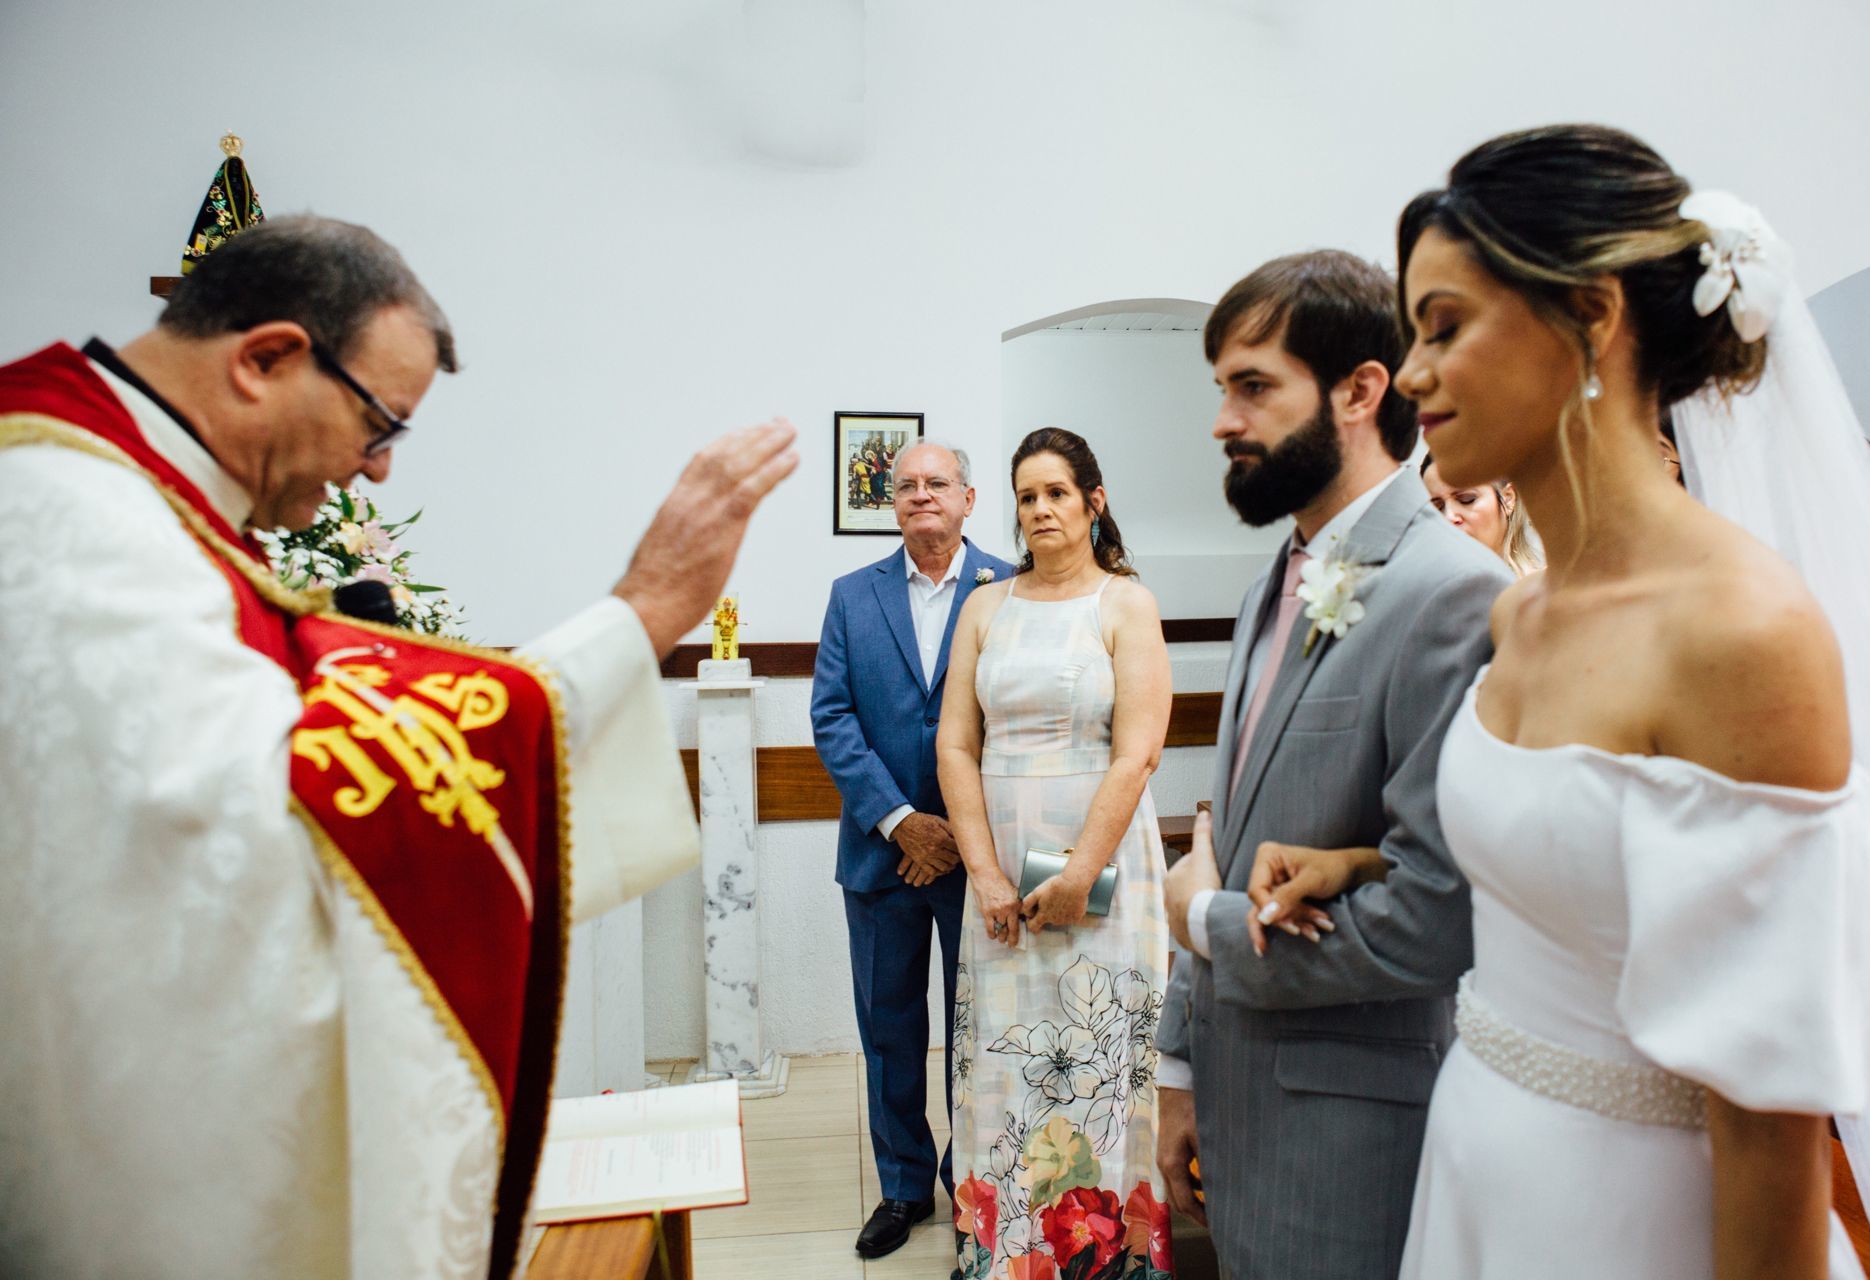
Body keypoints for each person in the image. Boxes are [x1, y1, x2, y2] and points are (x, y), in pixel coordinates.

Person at [0, 215, 799, 1280]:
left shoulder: (140, 498)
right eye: (379, 424)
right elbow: (249, 849)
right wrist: (640, 613)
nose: (374, 472)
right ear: (267, 359)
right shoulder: (62, 520)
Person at [1254, 125, 1870, 1278]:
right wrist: (1358, 861)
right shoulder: (1524, 613)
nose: (1411, 376)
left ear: (1592, 316)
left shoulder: (1741, 634)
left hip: (1630, 1214)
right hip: (1478, 1161)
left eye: (1445, 326)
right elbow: (1579, 870)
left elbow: (1770, 1130)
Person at [1153, 250, 1510, 1280]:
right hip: (1236, 1100)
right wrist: (1181, 1065)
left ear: (1360, 389)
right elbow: (1224, 841)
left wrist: (1201, 922)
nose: (1223, 420)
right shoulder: (1279, 571)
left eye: (1252, 386)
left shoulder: (1454, 592)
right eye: (1222, 387)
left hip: (1354, 1128)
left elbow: (1429, 921)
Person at [938, 427, 1174, 1280]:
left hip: (1102, 858)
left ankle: (1104, 1259)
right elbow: (956, 749)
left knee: (1097, 1062)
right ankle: (1006, 1259)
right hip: (997, 863)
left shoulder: (1124, 604)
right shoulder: (985, 609)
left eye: (1057, 494)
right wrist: (987, 871)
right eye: (1026, 495)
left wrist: (1079, 874)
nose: (1039, 509)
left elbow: (1139, 750)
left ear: (1093, 502)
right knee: (1007, 1060)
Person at [811, 440, 1012, 1261]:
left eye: (938, 484)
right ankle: (902, 1187)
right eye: (907, 486)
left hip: (979, 857)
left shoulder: (1012, 587)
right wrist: (900, 820)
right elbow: (832, 718)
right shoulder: (850, 597)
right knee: (888, 1026)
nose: (922, 496)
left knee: (978, 1027)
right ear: (891, 504)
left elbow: (1016, 716)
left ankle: (973, 1181)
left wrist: (959, 833)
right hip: (881, 854)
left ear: (968, 499)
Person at [1419, 452, 1543, 574]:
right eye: (1437, 507)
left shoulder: (1550, 588)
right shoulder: (1429, 588)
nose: (1449, 517)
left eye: (1466, 499)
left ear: (1508, 498)